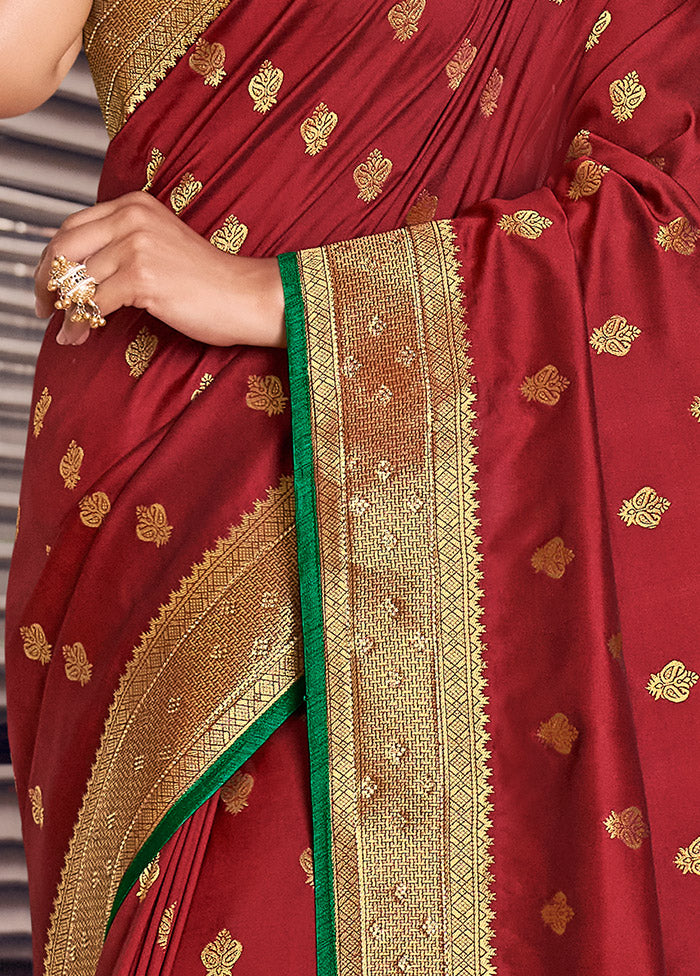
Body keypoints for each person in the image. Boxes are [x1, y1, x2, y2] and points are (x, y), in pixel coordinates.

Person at [3, 0, 700, 974]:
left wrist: (280, 296)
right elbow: (14, 60)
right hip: (151, 469)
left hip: (410, 479)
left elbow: (668, 222)